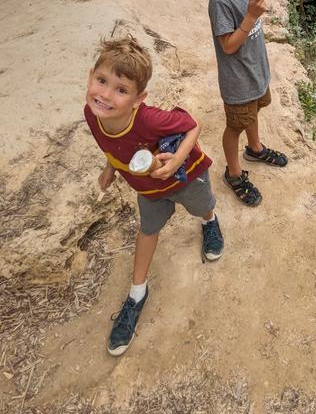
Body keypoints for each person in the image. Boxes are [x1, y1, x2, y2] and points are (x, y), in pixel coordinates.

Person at [85, 36, 224, 356]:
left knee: (202, 207)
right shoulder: (94, 114)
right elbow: (112, 145)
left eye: (121, 90)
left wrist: (176, 160)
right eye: (101, 81)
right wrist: (111, 168)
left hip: (186, 177)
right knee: (147, 231)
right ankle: (137, 293)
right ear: (90, 75)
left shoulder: (149, 119)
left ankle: (210, 221)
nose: (105, 95)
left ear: (138, 98)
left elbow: (192, 125)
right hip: (147, 190)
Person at [208, 0, 288, 206]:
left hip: (256, 72)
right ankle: (233, 173)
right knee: (235, 126)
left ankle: (255, 149)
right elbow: (228, 46)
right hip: (238, 79)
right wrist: (251, 17)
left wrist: (254, 10)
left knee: (253, 113)